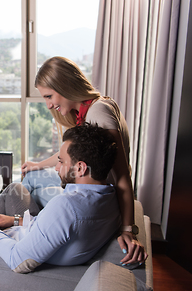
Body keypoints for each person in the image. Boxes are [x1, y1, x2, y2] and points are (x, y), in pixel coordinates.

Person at [0, 124, 121, 273]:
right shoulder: (110, 197)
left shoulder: (67, 206)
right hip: (27, 235)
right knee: (15, 188)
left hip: (9, 252)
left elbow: (18, 260)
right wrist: (13, 221)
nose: (57, 168)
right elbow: (53, 228)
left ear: (81, 168)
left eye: (61, 161)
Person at [21, 56, 146, 265]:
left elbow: (123, 175)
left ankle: (27, 233)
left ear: (65, 86)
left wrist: (128, 229)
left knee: (27, 187)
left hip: (97, 203)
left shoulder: (98, 113)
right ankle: (26, 226)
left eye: (49, 96)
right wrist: (38, 164)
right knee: (32, 177)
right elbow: (71, 154)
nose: (48, 105)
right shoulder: (96, 106)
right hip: (95, 195)